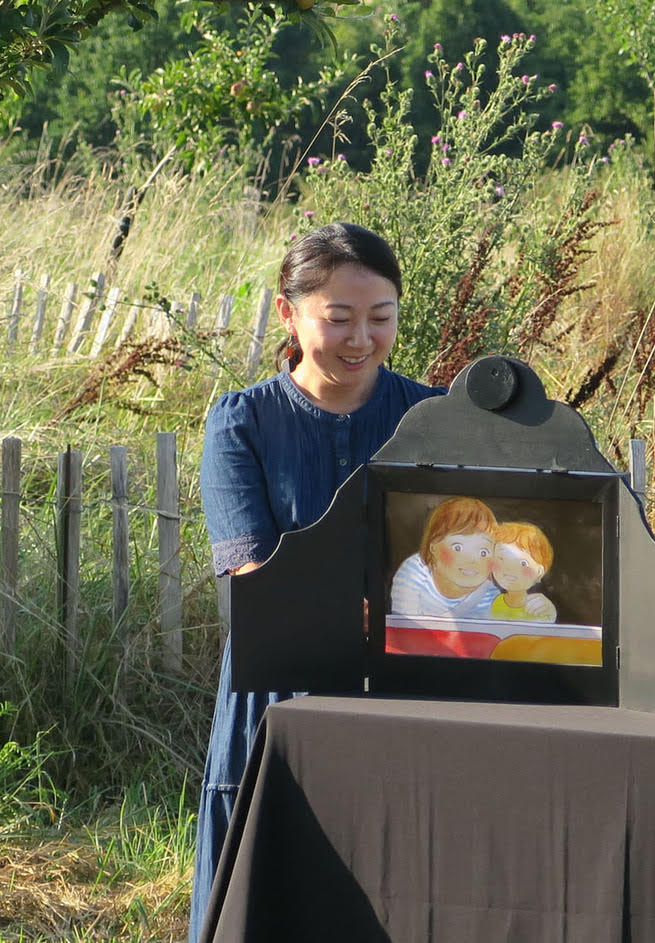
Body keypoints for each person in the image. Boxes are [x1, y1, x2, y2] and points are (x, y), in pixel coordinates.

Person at [190, 222, 441, 942]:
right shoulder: (240, 424)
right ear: (288, 314)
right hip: (278, 703)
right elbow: (259, 583)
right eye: (339, 317)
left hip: (408, 699)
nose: (360, 338)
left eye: (380, 317)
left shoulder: (431, 419)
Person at [389, 496, 500, 618]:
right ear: (433, 547)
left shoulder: (492, 593)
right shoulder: (414, 572)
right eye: (458, 547)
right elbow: (404, 627)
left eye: (483, 552)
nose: (472, 559)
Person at [488, 520, 557, 621]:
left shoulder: (539, 607)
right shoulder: (493, 601)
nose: (509, 568)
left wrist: (550, 615)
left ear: (539, 572)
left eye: (522, 563)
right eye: (501, 559)